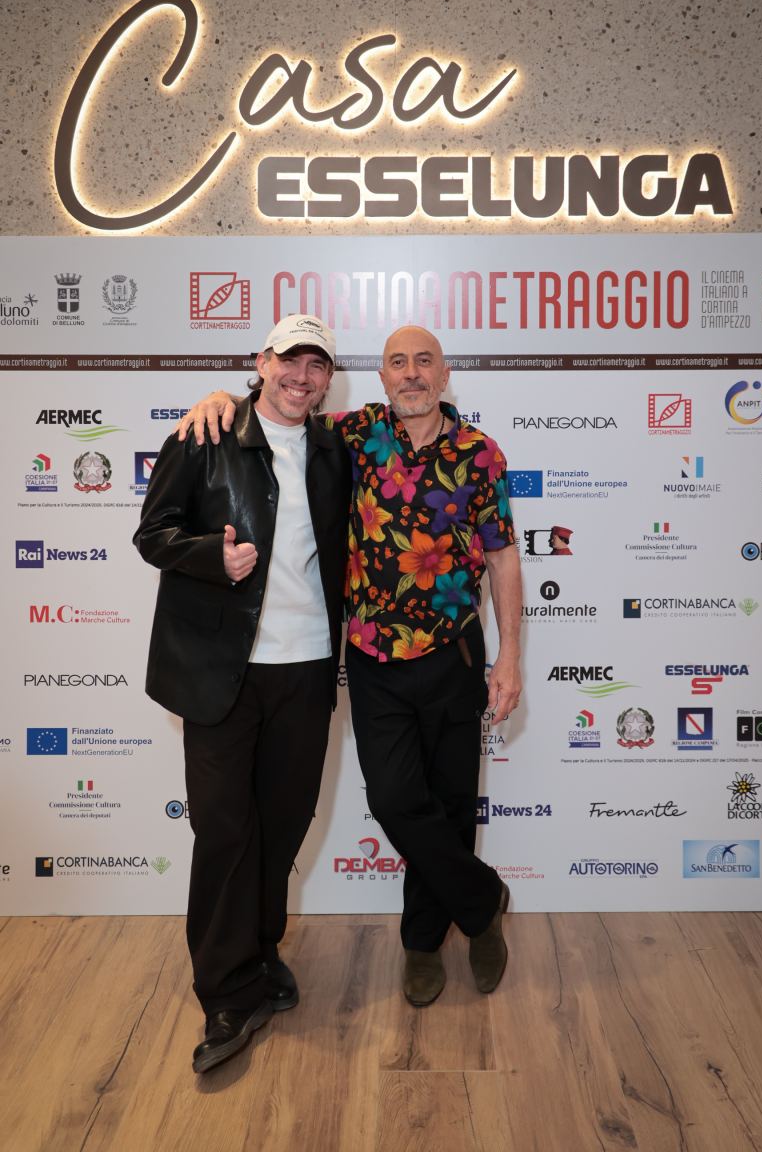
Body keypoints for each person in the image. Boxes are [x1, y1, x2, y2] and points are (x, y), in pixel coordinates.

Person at [179, 325, 522, 1007]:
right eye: (397, 363)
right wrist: (219, 399)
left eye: (424, 361)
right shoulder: (351, 436)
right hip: (373, 659)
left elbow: (504, 555)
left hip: (455, 653)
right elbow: (276, 412)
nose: (411, 373)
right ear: (382, 378)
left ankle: (423, 943)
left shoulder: (479, 453)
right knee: (395, 800)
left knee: (453, 804)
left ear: (444, 374)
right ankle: (482, 901)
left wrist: (510, 654)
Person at [133, 315, 350, 1073]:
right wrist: (208, 557)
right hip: (222, 669)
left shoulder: (337, 450)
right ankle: (226, 992)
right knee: (226, 830)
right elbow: (152, 533)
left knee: (282, 827)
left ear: (328, 380)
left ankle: (259, 953)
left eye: (316, 365)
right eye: (289, 360)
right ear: (262, 361)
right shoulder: (205, 435)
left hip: (308, 666)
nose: (301, 376)